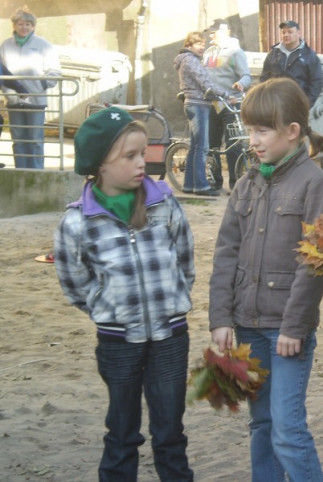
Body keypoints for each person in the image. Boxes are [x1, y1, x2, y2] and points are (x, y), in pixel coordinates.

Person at [53, 106, 195, 481]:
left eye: (143, 152)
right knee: (122, 433)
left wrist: (172, 301)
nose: (141, 163)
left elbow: (184, 258)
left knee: (170, 434)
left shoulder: (163, 205)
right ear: (100, 163)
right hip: (118, 343)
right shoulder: (77, 221)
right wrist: (107, 307)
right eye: (129, 156)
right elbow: (74, 281)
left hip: (170, 337)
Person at [209, 77, 323, 482]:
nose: (253, 140)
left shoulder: (317, 186)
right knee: (261, 425)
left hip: (286, 333)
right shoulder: (246, 184)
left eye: (261, 130)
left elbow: (314, 265)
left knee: (287, 430)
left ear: (292, 132)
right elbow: (226, 253)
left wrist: (294, 326)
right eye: (250, 130)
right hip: (246, 326)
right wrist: (221, 318)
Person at [0, 5, 61, 169]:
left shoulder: (43, 45)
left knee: (35, 139)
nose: (24, 27)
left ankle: (36, 173)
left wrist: (41, 84)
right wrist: (8, 91)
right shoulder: (5, 45)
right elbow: (1, 71)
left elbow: (54, 71)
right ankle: (21, 172)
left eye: (28, 24)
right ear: (14, 25)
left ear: (33, 26)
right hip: (13, 101)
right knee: (18, 139)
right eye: (20, 24)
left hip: (35, 100)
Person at [174, 30, 229, 196]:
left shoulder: (189, 60)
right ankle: (201, 186)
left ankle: (189, 185)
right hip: (197, 105)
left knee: (195, 147)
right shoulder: (190, 61)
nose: (201, 47)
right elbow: (206, 85)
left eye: (203, 45)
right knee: (202, 147)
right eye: (198, 44)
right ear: (189, 45)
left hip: (195, 104)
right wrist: (228, 96)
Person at [203, 19, 252, 192]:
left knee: (233, 146)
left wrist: (241, 84)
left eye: (214, 31)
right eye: (210, 31)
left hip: (231, 105)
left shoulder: (235, 52)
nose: (211, 35)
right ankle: (216, 182)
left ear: (225, 32)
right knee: (212, 146)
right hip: (212, 105)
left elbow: (246, 75)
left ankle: (235, 184)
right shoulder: (208, 52)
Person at [260, 20, 323, 109]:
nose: (286, 35)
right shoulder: (273, 53)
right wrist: (266, 99)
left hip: (297, 106)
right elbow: (264, 78)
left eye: (290, 32)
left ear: (298, 33)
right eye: (283, 32)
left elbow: (317, 82)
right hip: (274, 105)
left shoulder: (309, 55)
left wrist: (306, 105)